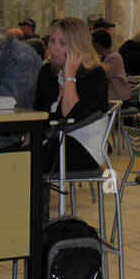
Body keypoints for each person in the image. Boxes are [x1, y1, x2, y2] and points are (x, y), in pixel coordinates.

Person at [36, 18, 111, 174]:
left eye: (62, 43)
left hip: (84, 146)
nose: (54, 48)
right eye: (52, 41)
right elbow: (37, 114)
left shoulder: (95, 75)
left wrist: (69, 75)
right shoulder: (47, 72)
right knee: (10, 155)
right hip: (53, 139)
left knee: (26, 161)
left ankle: (37, 198)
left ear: (78, 47)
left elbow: (70, 116)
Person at [92, 29, 130, 103]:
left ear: (98, 44)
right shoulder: (103, 57)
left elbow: (101, 77)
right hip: (110, 97)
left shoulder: (114, 58)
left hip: (118, 99)